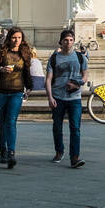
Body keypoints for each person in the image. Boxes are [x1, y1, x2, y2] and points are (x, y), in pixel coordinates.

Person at [0, 28, 32, 168]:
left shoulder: (25, 53)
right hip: (0, 91)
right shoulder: (0, 51)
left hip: (16, 92)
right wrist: (0, 69)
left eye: (19, 37)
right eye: (14, 37)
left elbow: (27, 71)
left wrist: (29, 86)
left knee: (11, 121)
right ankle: (3, 151)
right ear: (9, 38)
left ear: (22, 39)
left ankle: (11, 152)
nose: (16, 40)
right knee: (2, 121)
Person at [46, 29, 88, 168]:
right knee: (57, 127)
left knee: (75, 128)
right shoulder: (54, 58)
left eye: (71, 40)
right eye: (65, 40)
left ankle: (74, 158)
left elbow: (85, 75)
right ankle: (59, 151)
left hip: (75, 97)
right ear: (61, 42)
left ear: (73, 41)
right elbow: (48, 79)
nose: (68, 43)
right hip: (58, 97)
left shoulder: (81, 57)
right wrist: (50, 97)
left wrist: (77, 84)